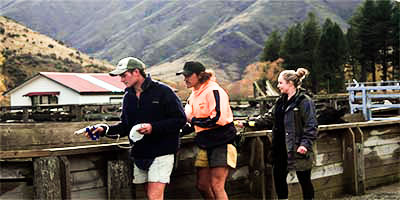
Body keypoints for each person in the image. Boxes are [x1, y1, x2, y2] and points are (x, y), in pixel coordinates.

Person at [85, 57, 186, 200]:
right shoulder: (128, 97)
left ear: (136, 72)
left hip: (162, 152)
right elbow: (125, 126)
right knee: (149, 195)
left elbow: (180, 119)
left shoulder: (163, 91)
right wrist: (104, 129)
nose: (121, 79)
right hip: (139, 153)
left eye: (124, 75)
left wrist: (153, 128)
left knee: (154, 196)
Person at [252, 68, 318, 200]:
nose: (278, 86)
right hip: (280, 148)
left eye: (280, 83)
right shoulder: (280, 101)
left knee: (304, 180)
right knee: (279, 179)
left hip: (298, 147)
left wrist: (305, 144)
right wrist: (250, 123)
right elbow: (269, 117)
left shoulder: (304, 101)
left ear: (290, 83)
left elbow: (311, 125)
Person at [177, 61, 237, 200]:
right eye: (183, 75)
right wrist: (175, 133)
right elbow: (190, 123)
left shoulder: (213, 91)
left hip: (222, 142)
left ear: (199, 75)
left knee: (217, 185)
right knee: (202, 185)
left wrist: (192, 120)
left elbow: (217, 119)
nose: (185, 78)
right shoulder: (193, 96)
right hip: (204, 143)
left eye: (188, 75)